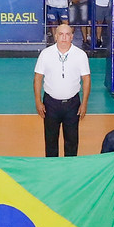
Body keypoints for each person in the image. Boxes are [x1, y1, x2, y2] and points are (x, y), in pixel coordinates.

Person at [33, 21, 91, 157]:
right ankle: (52, 169)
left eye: (67, 34)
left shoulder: (80, 55)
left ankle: (69, 170)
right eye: (61, 34)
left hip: (72, 104)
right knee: (50, 140)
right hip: (50, 104)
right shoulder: (45, 54)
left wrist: (84, 103)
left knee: (72, 141)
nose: (64, 37)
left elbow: (86, 79)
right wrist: (37, 101)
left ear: (72, 37)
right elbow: (38, 78)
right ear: (56, 36)